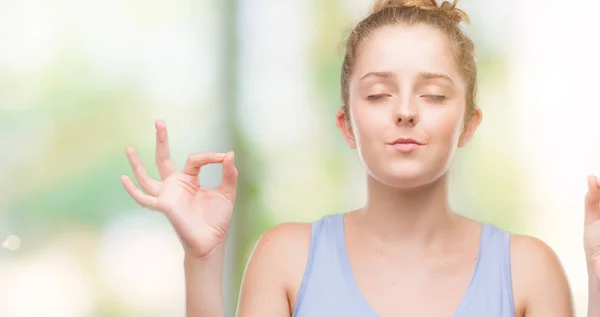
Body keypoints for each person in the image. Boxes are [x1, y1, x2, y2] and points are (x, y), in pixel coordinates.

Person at [120, 0, 600, 316]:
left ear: (469, 124)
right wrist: (201, 260)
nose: (406, 112)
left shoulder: (528, 270)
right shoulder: (286, 259)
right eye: (378, 94)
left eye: (432, 94)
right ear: (346, 124)